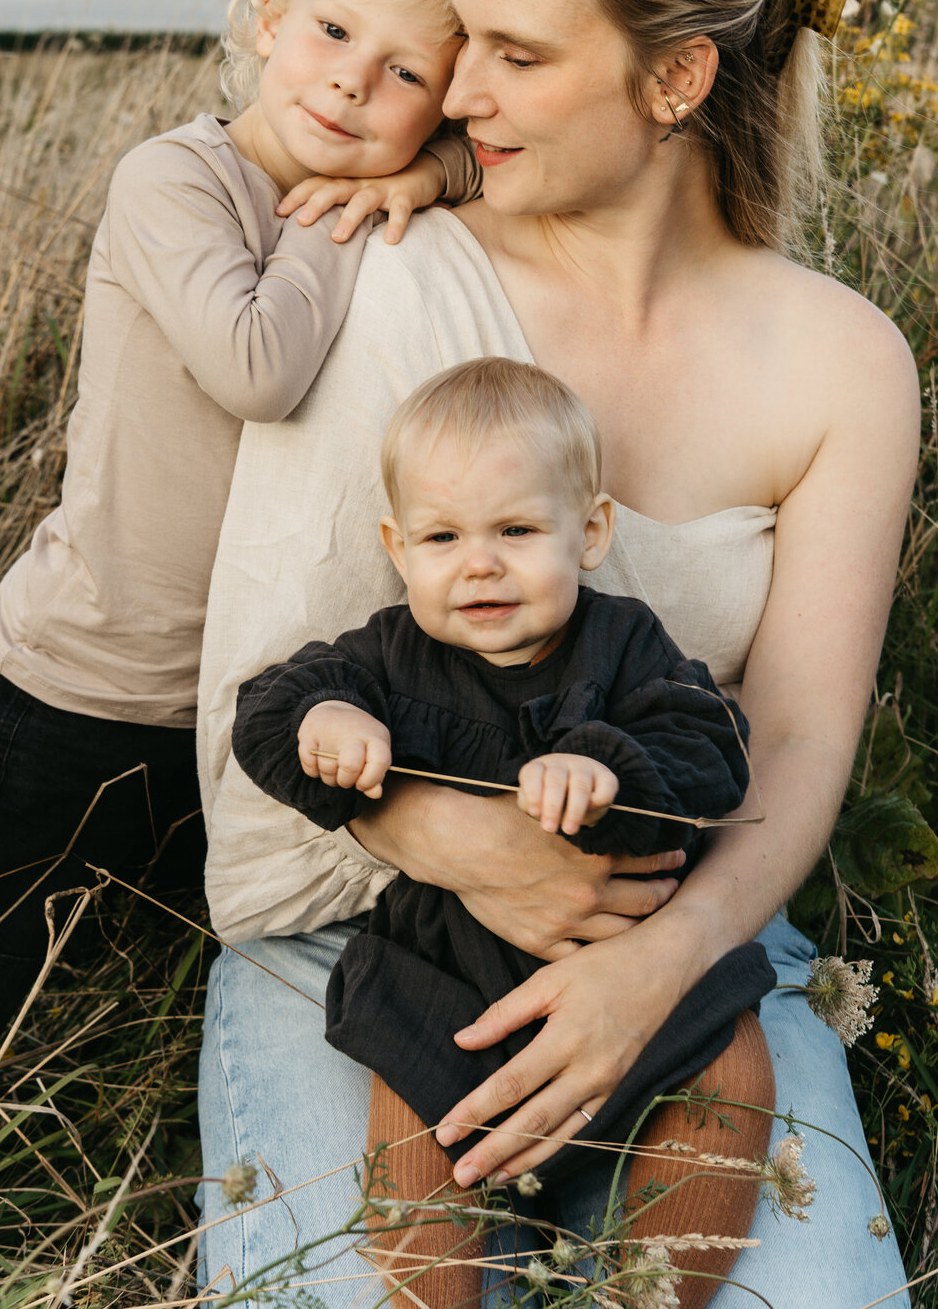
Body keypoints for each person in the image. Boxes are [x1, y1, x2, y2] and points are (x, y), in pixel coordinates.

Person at [195, 0, 920, 1306]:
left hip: (681, 924)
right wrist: (452, 840)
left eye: (517, 56)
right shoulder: (385, 270)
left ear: (676, 78)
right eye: (465, 40)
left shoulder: (842, 361)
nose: (456, 92)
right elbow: (265, 689)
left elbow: (796, 734)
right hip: (361, 927)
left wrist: (662, 959)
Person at [0, 0, 475, 1126]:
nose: (350, 83)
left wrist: (434, 169)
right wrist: (351, 205)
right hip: (86, 680)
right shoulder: (177, 178)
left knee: (178, 972)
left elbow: (515, 169)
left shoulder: (409, 185)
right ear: (268, 18)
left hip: (254, 700)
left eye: (405, 73)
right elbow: (256, 366)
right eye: (332, 32)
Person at [232, 358, 775, 1304]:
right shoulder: (387, 655)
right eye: (443, 536)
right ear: (398, 548)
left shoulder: (623, 642)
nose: (479, 562)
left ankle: (647, 1293)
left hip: (632, 962)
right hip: (449, 982)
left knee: (729, 1079)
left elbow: (711, 748)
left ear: (590, 532)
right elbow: (267, 708)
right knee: (417, 1153)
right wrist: (326, 718)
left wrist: (606, 768)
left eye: (516, 531)